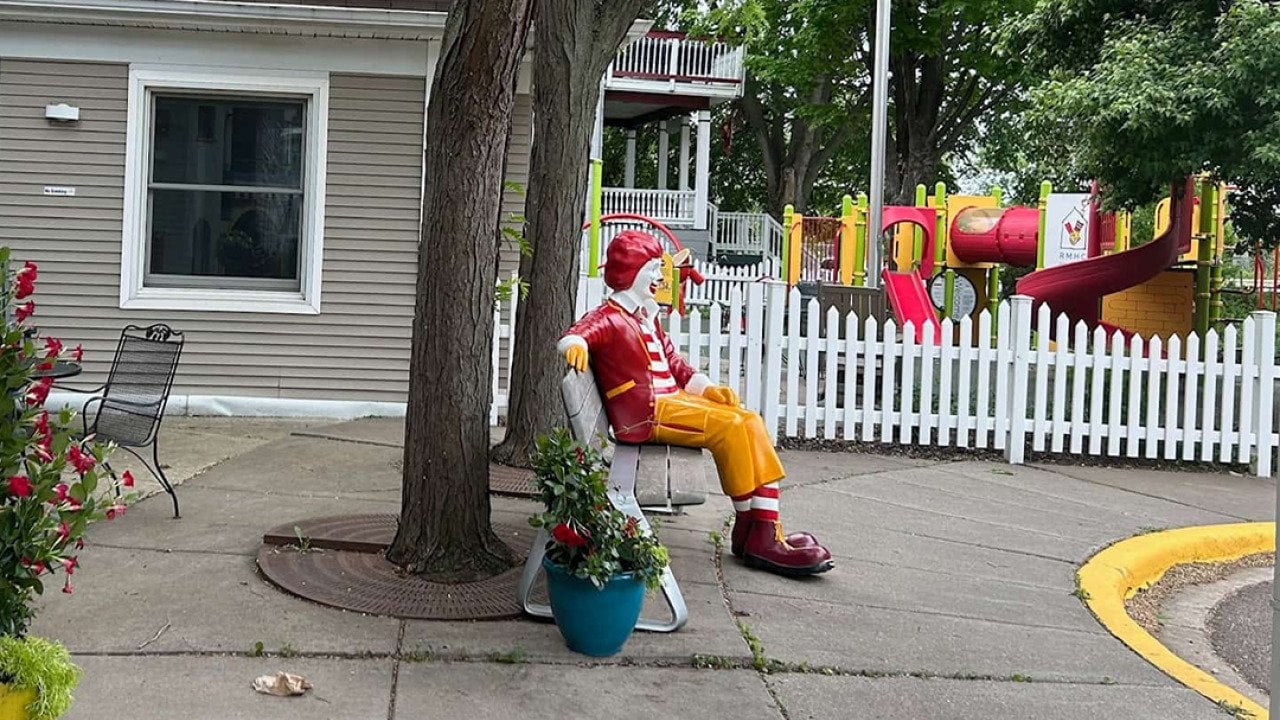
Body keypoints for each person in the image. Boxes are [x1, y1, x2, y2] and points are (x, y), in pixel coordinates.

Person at [558, 230, 833, 577]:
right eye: (653, 269)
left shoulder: (645, 315)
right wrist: (575, 346)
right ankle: (757, 532)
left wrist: (706, 389)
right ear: (631, 272)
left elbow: (676, 364)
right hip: (646, 415)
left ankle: (760, 526)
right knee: (731, 428)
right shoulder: (610, 317)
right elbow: (576, 333)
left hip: (670, 400)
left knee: (748, 419)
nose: (660, 277)